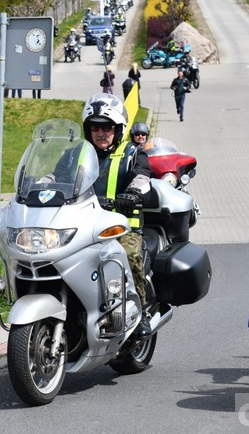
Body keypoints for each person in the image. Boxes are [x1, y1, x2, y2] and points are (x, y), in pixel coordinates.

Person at [82, 94, 152, 338]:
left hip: (121, 229)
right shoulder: (77, 155)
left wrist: (132, 192)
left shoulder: (133, 153)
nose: (101, 133)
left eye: (107, 127)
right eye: (95, 127)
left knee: (130, 254)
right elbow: (55, 177)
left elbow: (143, 176)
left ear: (118, 129)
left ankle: (141, 313)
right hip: (85, 227)